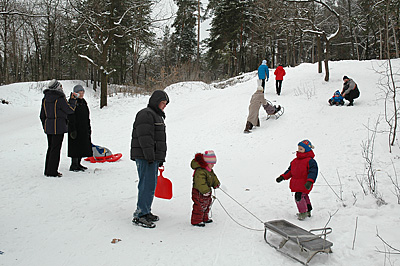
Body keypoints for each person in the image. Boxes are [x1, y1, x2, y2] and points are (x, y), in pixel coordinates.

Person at [130, 90, 169, 228]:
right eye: (162, 103)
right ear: (155, 101)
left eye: (165, 104)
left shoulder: (157, 116)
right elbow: (144, 137)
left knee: (151, 185)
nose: (164, 106)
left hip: (152, 157)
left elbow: (158, 139)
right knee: (146, 185)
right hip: (145, 157)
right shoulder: (146, 114)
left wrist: (159, 158)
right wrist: (150, 156)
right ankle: (140, 215)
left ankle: (146, 211)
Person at [40, 79, 77, 177]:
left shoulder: (45, 98)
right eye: (60, 86)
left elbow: (42, 115)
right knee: (56, 149)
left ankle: (48, 170)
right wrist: (73, 100)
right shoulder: (59, 98)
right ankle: (52, 171)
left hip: (49, 127)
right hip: (58, 127)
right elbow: (70, 110)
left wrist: (45, 125)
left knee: (50, 148)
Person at [276, 140, 318, 220]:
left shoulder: (310, 161)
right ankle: (308, 211)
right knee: (304, 196)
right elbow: (290, 171)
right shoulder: (295, 161)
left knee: (299, 196)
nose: (299, 150)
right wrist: (282, 177)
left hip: (305, 183)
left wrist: (310, 181)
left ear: (307, 150)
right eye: (298, 148)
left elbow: (313, 172)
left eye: (301, 149)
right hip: (297, 183)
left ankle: (302, 213)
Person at [190, 150, 220, 227]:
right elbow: (200, 182)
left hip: (206, 192)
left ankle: (204, 218)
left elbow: (213, 177)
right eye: (211, 164)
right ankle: (196, 220)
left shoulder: (209, 170)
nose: (213, 165)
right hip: (199, 192)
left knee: (207, 204)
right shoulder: (200, 171)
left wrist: (216, 183)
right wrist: (205, 190)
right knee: (199, 206)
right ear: (206, 163)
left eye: (213, 164)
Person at [68, 85, 92, 171]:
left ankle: (79, 163)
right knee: (75, 146)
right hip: (75, 127)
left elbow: (87, 115)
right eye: (80, 93)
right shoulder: (72, 102)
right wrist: (72, 129)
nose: (81, 95)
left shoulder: (83, 102)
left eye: (82, 93)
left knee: (82, 145)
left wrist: (89, 127)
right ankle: (74, 164)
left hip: (83, 127)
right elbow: (70, 116)